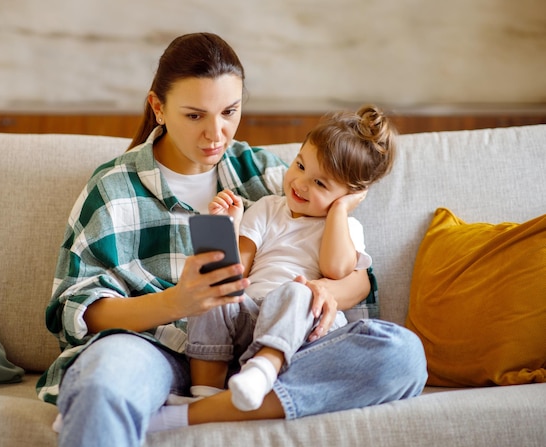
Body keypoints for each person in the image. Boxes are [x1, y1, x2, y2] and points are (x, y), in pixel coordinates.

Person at [36, 32, 427, 447]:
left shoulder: (266, 174)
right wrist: (177, 302)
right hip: (151, 347)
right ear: (158, 107)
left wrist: (326, 290)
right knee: (102, 384)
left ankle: (188, 415)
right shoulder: (114, 187)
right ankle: (192, 401)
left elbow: (357, 278)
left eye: (229, 111)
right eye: (194, 116)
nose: (215, 134)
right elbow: (76, 311)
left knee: (401, 355)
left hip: (257, 348)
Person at [186, 105, 393, 412]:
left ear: (350, 194)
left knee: (300, 289)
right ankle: (205, 394)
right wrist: (228, 225)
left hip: (305, 327)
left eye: (320, 183)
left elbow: (335, 269)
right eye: (299, 165)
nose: (300, 183)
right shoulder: (268, 208)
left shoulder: (347, 228)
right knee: (216, 288)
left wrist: (338, 211)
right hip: (252, 314)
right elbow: (235, 270)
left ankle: (263, 371)